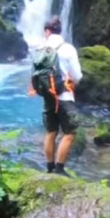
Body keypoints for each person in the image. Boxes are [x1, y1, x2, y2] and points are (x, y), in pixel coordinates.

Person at [38, 16, 83, 176]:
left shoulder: (41, 48)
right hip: (64, 97)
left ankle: (49, 167)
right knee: (70, 133)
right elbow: (77, 76)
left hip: (47, 96)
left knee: (51, 132)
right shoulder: (68, 48)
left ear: (47, 31)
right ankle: (60, 168)